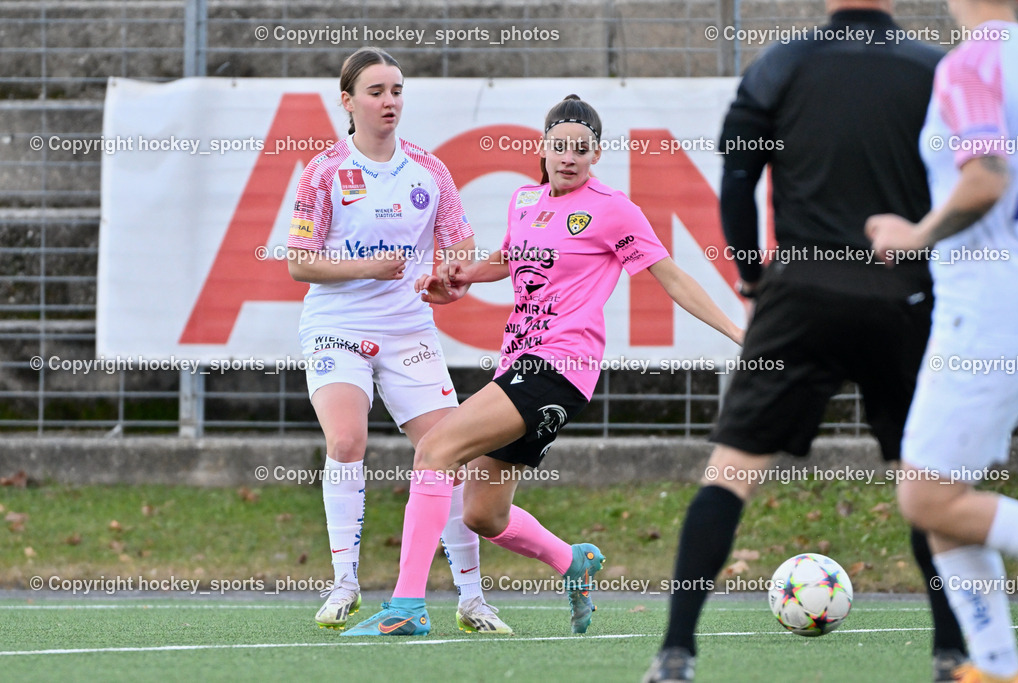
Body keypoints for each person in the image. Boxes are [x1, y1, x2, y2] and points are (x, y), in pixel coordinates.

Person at [644, 1, 972, 680]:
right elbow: (972, 188)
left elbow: (737, 177)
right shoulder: (936, 71)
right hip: (901, 293)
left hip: (800, 294)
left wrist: (753, 275)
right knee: (925, 484)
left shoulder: (781, 63)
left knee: (731, 472)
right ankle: (953, 657)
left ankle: (676, 653)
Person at [340, 94, 744, 637]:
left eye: (581, 148)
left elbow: (672, 277)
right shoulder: (524, 200)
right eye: (560, 146)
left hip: (558, 367)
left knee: (434, 450)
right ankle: (570, 561)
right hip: (520, 366)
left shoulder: (613, 209)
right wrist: (458, 279)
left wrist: (742, 334)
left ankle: (407, 607)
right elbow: (509, 260)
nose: (570, 156)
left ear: (595, 153)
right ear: (544, 148)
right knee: (482, 514)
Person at [286, 46, 511, 635]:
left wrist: (447, 281)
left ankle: (471, 598)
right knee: (346, 438)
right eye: (377, 92)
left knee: (450, 454)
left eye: (397, 90)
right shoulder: (324, 170)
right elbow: (299, 264)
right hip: (337, 324)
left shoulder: (429, 171)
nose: (390, 102)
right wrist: (365, 268)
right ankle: (344, 584)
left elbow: (459, 248)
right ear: (348, 101)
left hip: (408, 330)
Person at [867, 0, 1018, 679]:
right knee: (943, 493)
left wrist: (913, 235)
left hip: (990, 305)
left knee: (927, 495)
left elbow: (985, 176)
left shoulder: (972, 62)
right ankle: (993, 664)